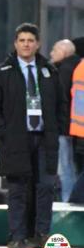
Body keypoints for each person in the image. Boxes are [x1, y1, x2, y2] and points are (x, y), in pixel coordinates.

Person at [0, 23, 59, 248]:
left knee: (46, 187)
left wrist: (58, 129)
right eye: (22, 40)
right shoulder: (2, 72)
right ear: (15, 44)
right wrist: (2, 130)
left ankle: (42, 234)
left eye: (30, 40)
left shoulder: (49, 71)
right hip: (16, 139)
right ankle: (17, 237)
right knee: (17, 189)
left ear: (38, 44)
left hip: (45, 138)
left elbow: (60, 104)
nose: (26, 44)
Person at [50, 39, 81, 202]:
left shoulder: (64, 70)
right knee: (73, 167)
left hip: (64, 127)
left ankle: (68, 204)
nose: (51, 54)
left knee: (65, 169)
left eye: (54, 50)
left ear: (63, 52)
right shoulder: (78, 66)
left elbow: (58, 100)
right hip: (76, 129)